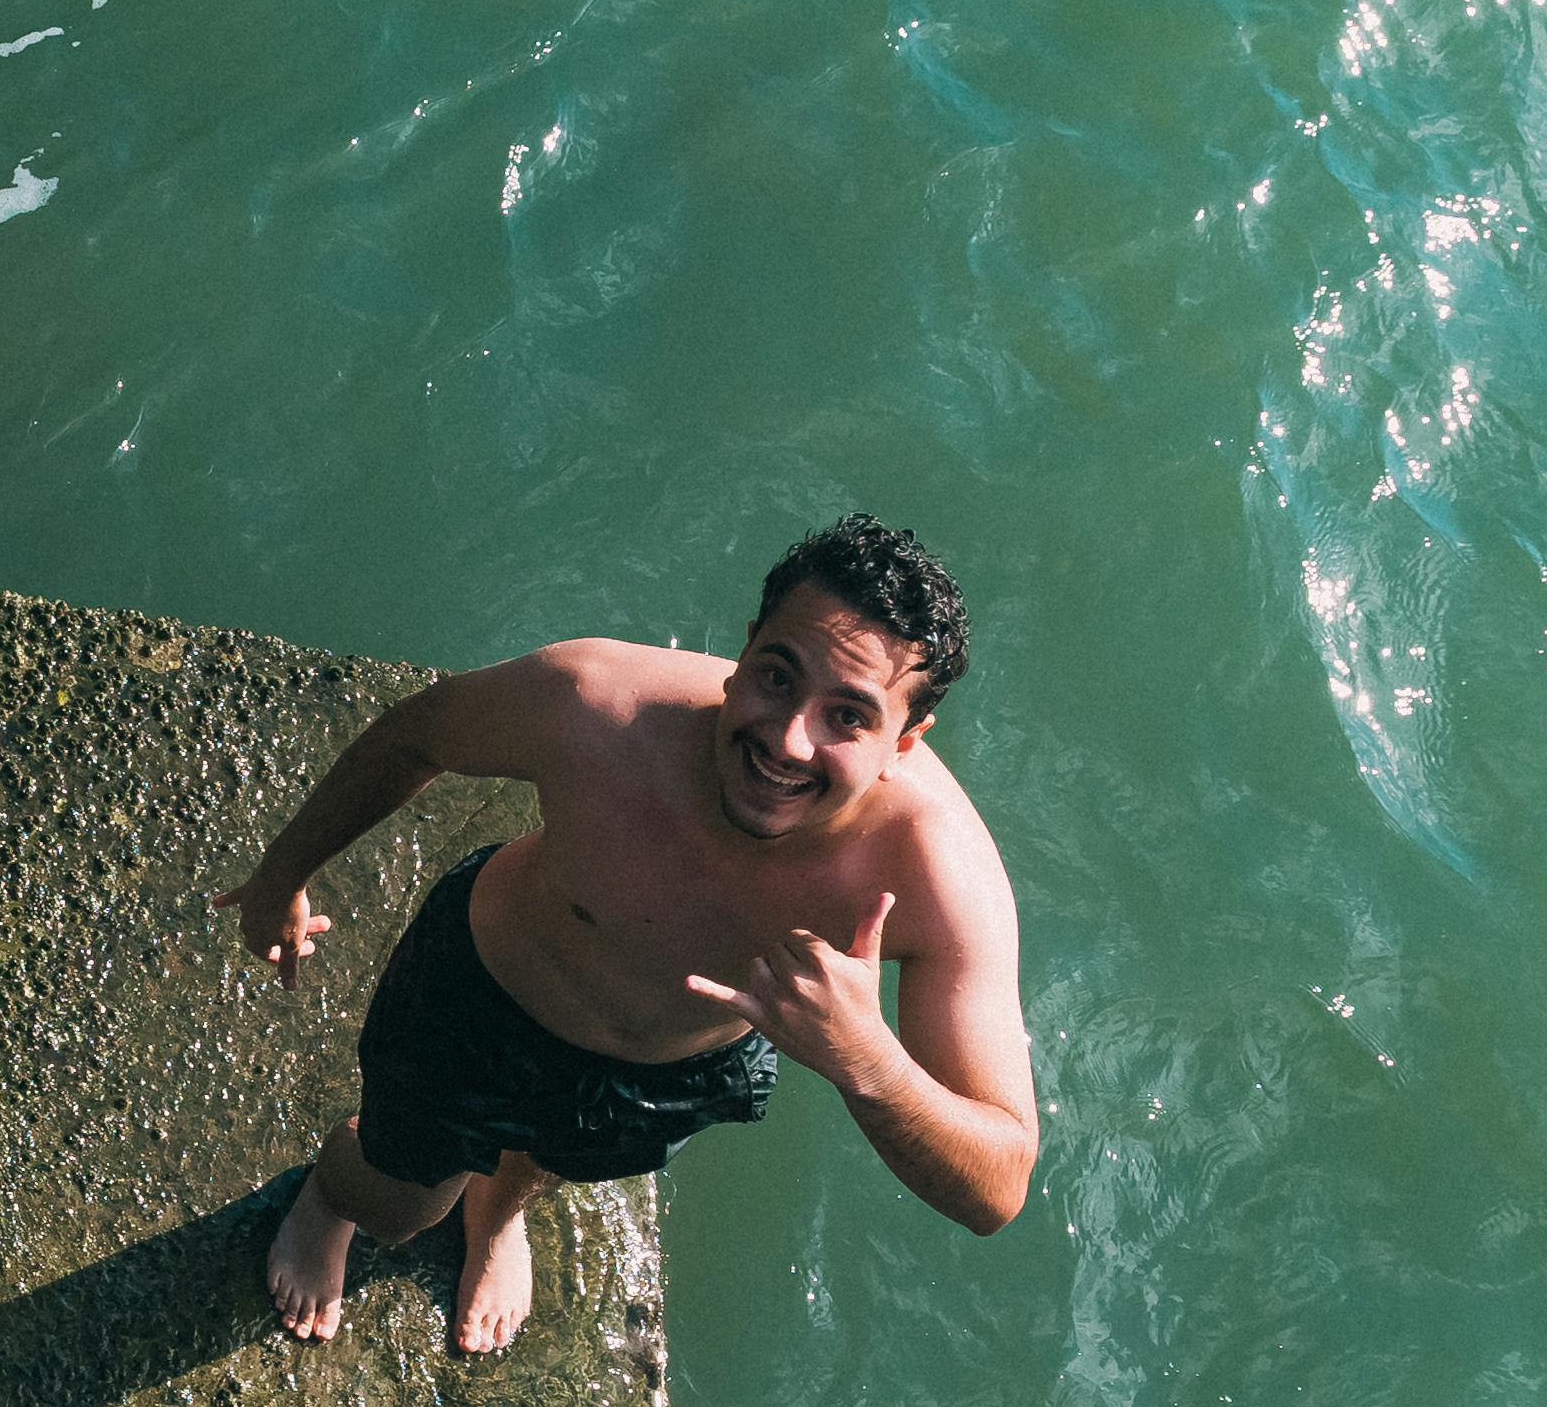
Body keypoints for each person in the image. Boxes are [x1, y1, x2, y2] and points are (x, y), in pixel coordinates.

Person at [214, 515, 1036, 1352]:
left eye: (848, 717)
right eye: (778, 677)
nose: (789, 739)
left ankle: (496, 1214)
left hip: (675, 1063)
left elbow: (999, 1184)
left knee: (551, 1161)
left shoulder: (939, 876)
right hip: (481, 998)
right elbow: (415, 736)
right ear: (747, 648)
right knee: (401, 1201)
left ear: (905, 741)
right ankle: (335, 1192)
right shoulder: (596, 705)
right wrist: (283, 877)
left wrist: (869, 1059)